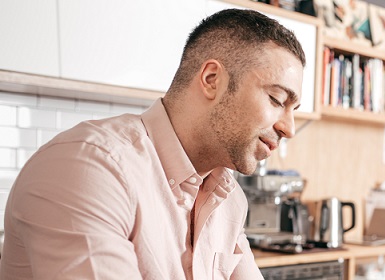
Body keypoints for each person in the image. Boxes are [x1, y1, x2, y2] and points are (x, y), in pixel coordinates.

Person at [1, 8, 305, 279]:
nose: (289, 128)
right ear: (212, 79)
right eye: (277, 99)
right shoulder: (88, 167)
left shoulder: (228, 198)